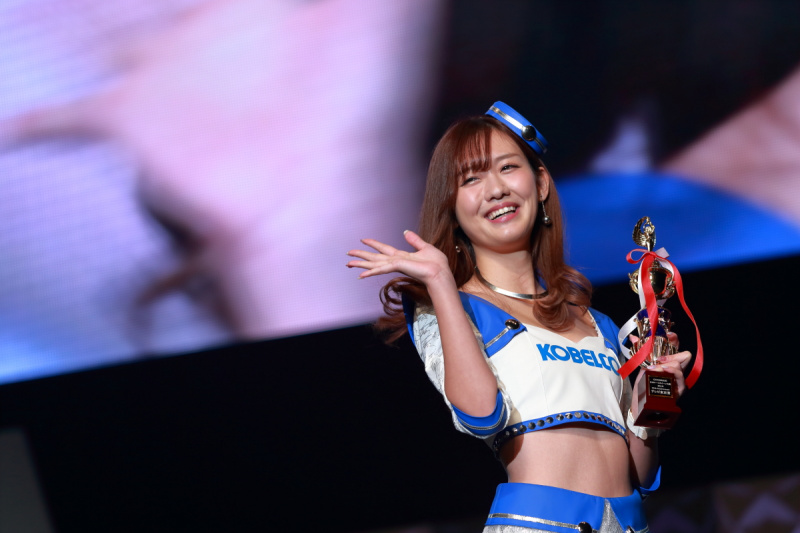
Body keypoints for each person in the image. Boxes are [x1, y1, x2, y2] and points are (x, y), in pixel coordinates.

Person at [347, 102, 693, 532]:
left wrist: (648, 407)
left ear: (541, 183)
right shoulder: (451, 307)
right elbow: (481, 414)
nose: (496, 189)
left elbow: (639, 475)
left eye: (508, 167)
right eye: (471, 178)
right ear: (451, 206)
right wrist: (440, 282)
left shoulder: (598, 324)